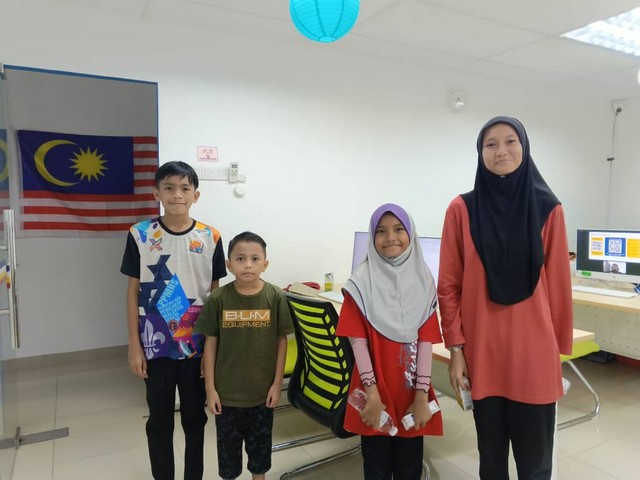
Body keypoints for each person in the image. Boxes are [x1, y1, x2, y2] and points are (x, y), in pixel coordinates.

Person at [438, 116, 573, 480]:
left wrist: (558, 352)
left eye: (510, 141)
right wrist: (455, 349)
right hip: (483, 354)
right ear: (480, 152)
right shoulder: (461, 210)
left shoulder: (549, 209)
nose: (501, 151)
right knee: (492, 460)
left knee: (535, 466)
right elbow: (448, 286)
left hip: (534, 355)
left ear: (524, 147)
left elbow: (559, 286)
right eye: (491, 144)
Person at [120, 161, 227, 480]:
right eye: (169, 188)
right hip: (156, 346)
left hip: (197, 347)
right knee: (159, 420)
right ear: (157, 193)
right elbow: (133, 290)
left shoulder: (211, 237)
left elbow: (215, 295)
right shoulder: (140, 234)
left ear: (196, 195)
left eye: (184, 188)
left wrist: (212, 351)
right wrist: (134, 345)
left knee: (195, 419)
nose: (176, 194)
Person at [337, 203, 443, 480]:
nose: (390, 237)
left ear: (411, 234)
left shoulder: (424, 281)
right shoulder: (360, 283)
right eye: (381, 231)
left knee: (410, 465)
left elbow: (426, 342)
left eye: (398, 229)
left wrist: (421, 396)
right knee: (376, 465)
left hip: (410, 391)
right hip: (374, 391)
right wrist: (372, 395)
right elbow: (357, 343)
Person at [195, 231, 293, 480]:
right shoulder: (218, 298)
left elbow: (281, 341)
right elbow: (210, 344)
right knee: (228, 461)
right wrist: (210, 389)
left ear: (265, 264)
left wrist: (277, 384)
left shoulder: (275, 296)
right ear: (229, 265)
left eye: (255, 259)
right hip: (227, 396)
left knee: (259, 458)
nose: (248, 264)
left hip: (262, 395)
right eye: (240, 259)